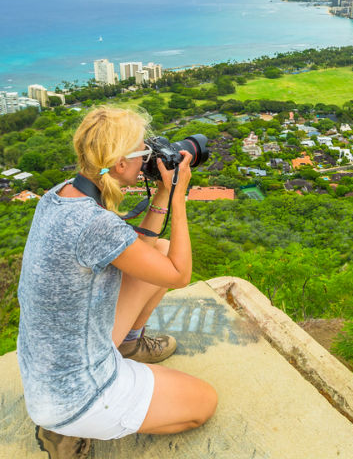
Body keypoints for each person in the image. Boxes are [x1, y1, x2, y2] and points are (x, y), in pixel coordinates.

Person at [17, 106, 217, 441]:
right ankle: (68, 431)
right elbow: (180, 274)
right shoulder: (94, 224)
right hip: (76, 394)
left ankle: (126, 345)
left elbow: (137, 249)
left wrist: (165, 192)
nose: (148, 160)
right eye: (143, 152)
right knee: (204, 403)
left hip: (46, 371)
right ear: (121, 163)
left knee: (160, 250)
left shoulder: (61, 195)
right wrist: (180, 196)